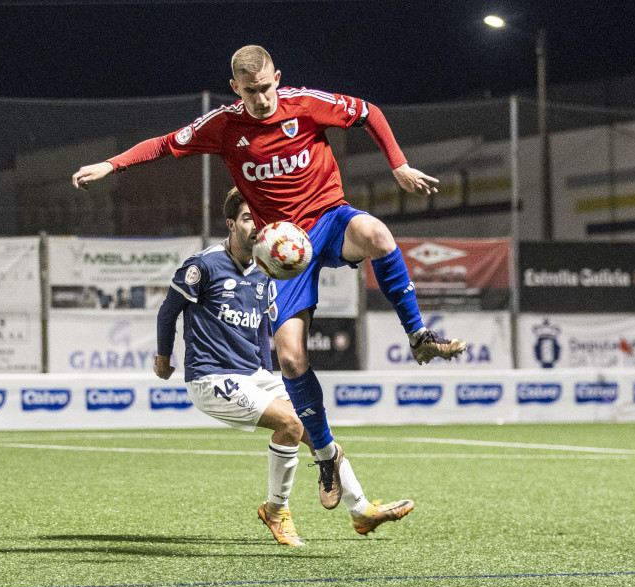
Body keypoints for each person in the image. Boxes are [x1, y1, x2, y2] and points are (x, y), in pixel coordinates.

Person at [73, 44, 465, 509]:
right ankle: (324, 456)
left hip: (330, 221)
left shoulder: (306, 103)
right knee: (292, 359)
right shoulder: (224, 125)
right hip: (282, 253)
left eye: (267, 87)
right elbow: (164, 143)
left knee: (378, 234)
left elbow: (369, 112)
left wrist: (397, 164)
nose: (261, 98)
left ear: (277, 77)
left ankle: (418, 335)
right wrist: (111, 165)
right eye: (251, 91)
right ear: (236, 88)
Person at [154, 187, 414, 546]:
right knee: (291, 424)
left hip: (254, 375)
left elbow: (263, 327)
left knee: (316, 431)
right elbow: (168, 311)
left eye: (259, 219)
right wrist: (163, 358)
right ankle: (275, 510)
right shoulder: (204, 265)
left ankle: (362, 511)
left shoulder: (268, 270)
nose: (255, 227)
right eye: (247, 219)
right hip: (211, 377)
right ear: (230, 224)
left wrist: (266, 371)